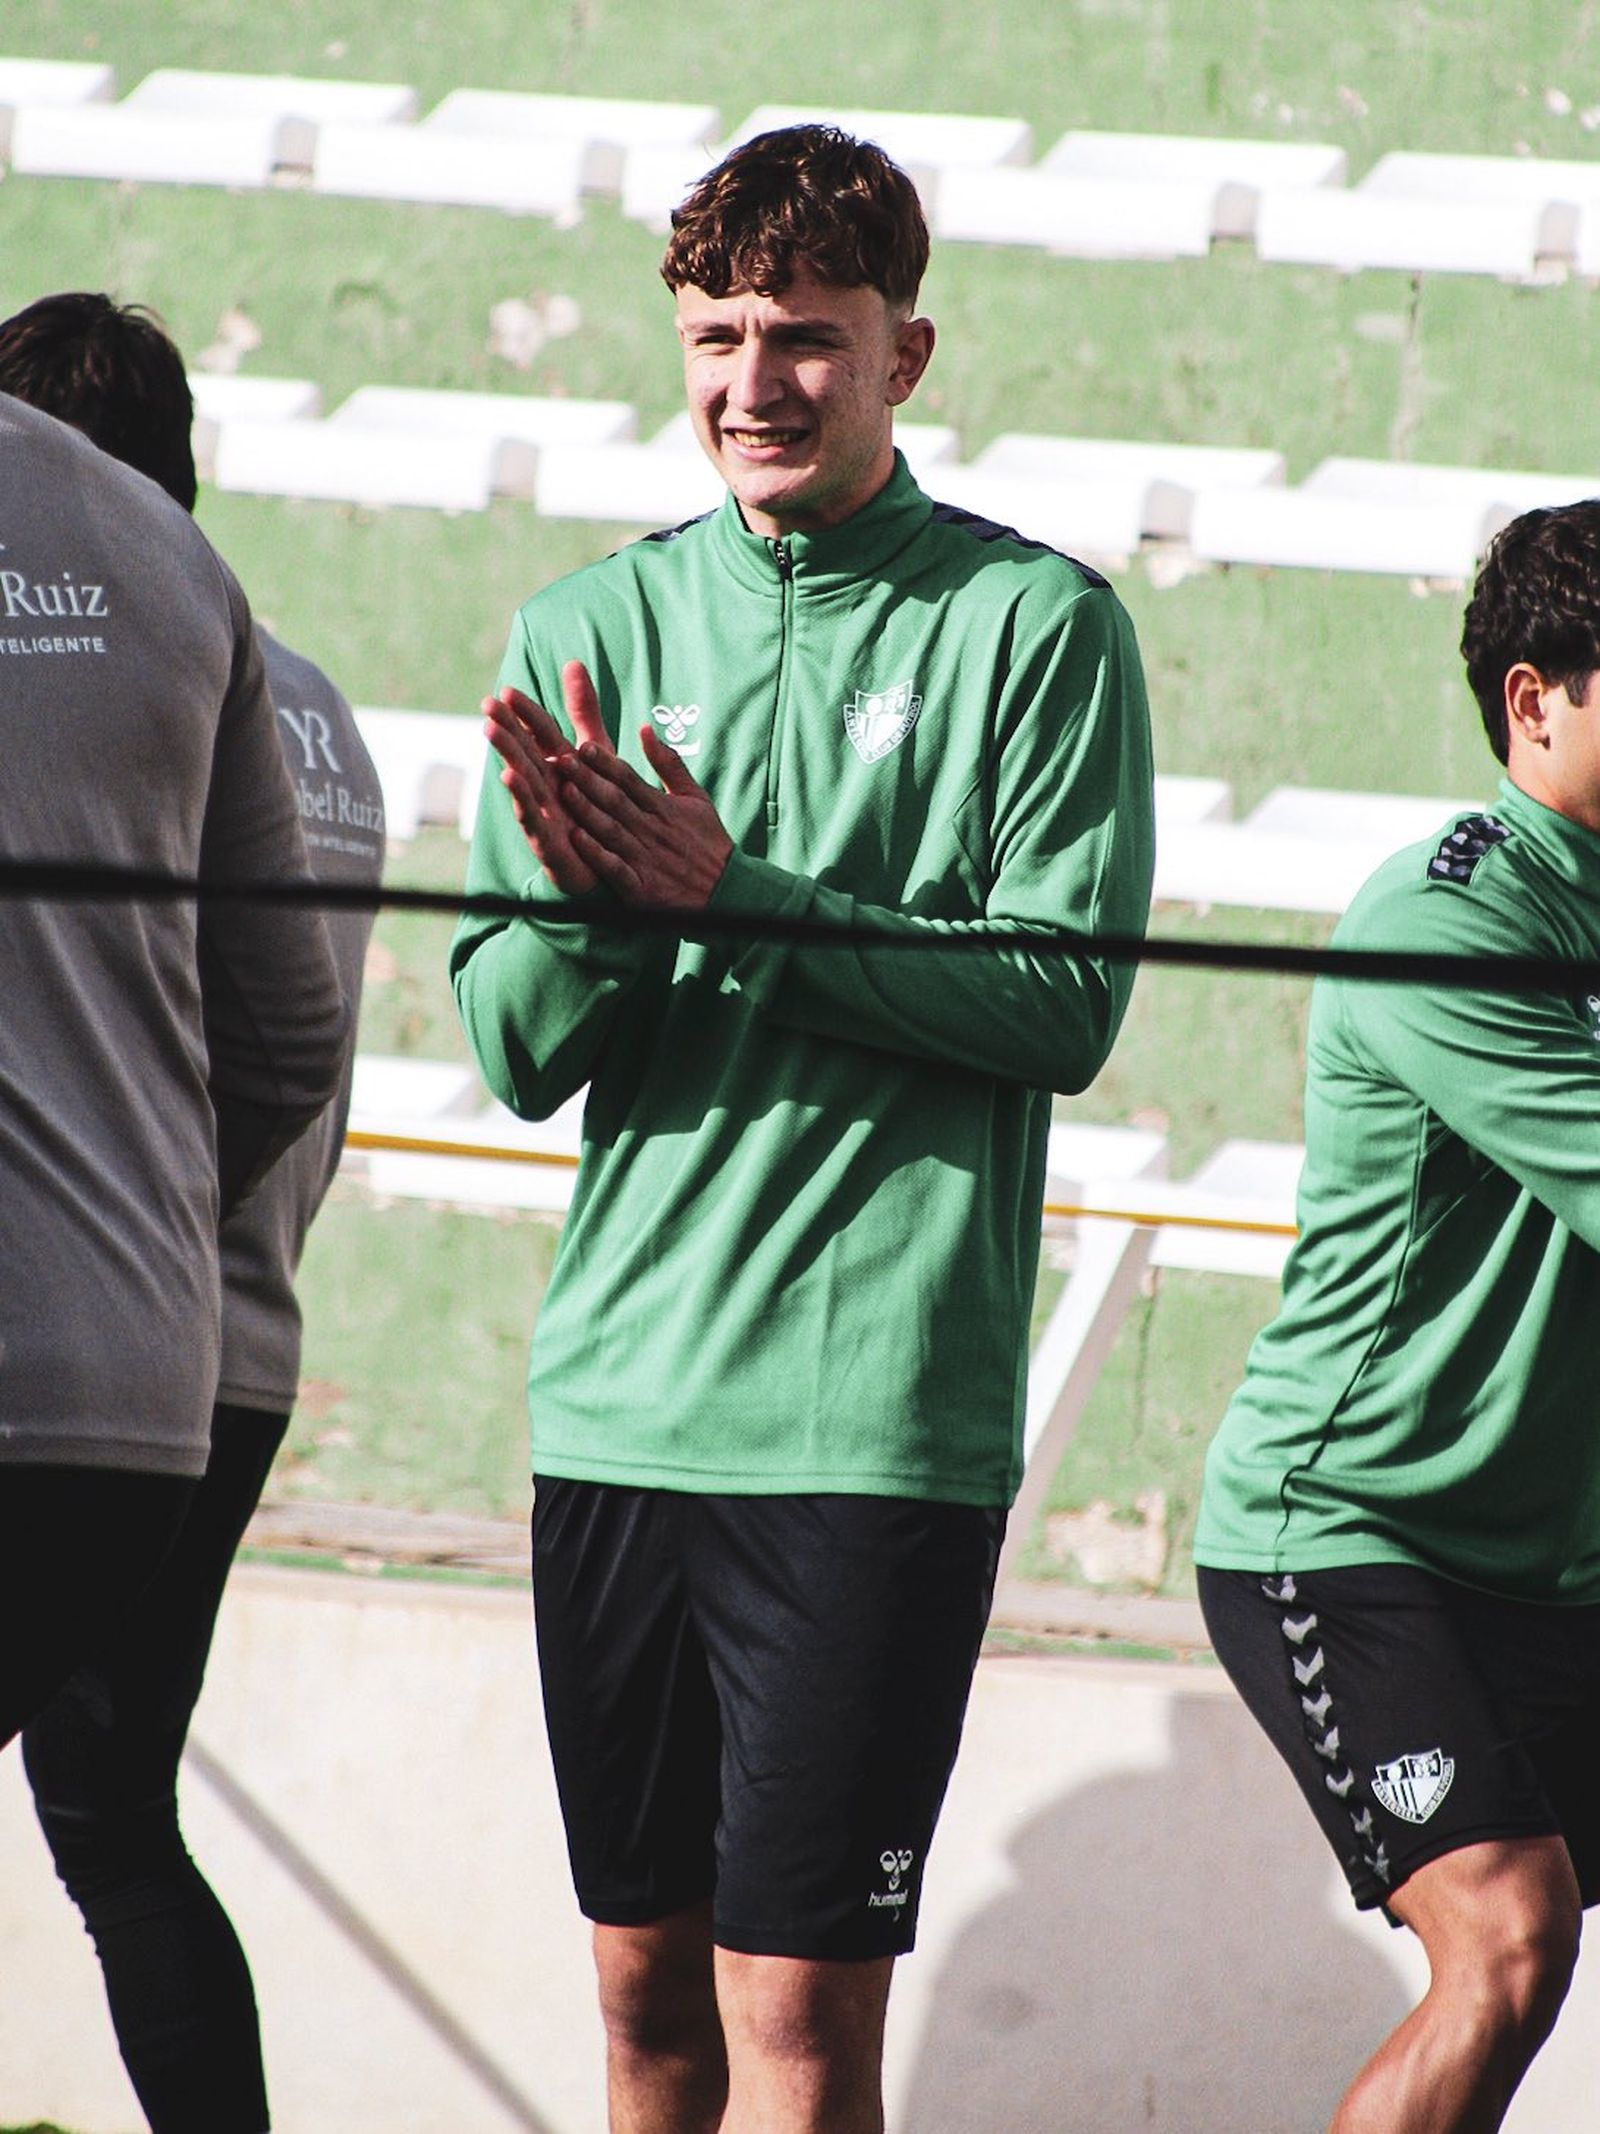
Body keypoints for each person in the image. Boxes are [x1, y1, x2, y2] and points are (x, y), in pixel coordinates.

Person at [452, 124, 1154, 2132]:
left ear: (903, 355)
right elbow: (508, 1042)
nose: (753, 385)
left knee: (793, 2028)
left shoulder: (1029, 628)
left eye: (805, 340)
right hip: (613, 1412)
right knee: (643, 2010)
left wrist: (736, 896)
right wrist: (604, 916)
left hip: (862, 1440)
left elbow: (1060, 1003)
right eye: (716, 334)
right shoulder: (584, 623)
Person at [0, 292, 385, 2134]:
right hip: (202, 1345)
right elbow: (292, 1032)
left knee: (104, 1817)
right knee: (118, 1810)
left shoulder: (137, 639)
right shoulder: (294, 688)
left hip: (83, 1308)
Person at [1196, 500, 1600, 2133]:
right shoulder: (1451, 918)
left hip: (1551, 1552)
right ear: (1535, 701)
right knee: (1505, 1936)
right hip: (1356, 1533)